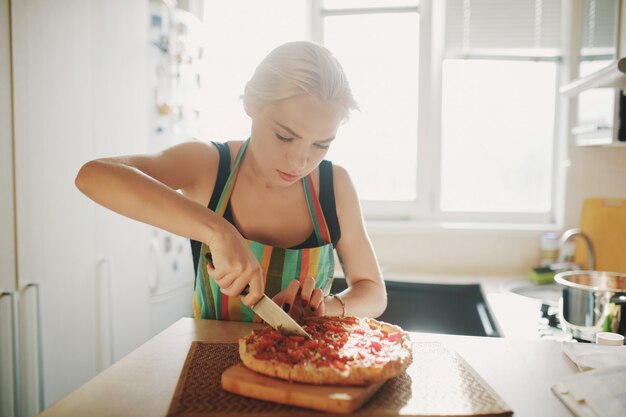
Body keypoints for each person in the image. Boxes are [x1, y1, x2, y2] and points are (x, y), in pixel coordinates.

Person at [75, 41, 386, 321]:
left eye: (321, 145)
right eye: (284, 136)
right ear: (250, 101)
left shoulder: (335, 186)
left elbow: (373, 291)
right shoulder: (209, 165)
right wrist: (218, 232)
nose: (299, 161)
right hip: (210, 375)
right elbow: (93, 176)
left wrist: (324, 309)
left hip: (307, 376)